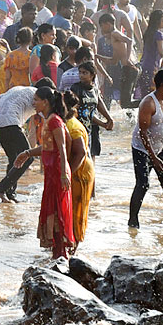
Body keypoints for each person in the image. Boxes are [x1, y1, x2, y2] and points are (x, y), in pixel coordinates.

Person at [13, 86, 75, 259]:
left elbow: (62, 148)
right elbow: (48, 147)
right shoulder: (49, 120)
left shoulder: (54, 120)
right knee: (53, 208)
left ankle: (61, 253)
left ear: (45, 102)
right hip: (52, 170)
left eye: (36, 100)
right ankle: (57, 253)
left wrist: (63, 174)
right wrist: (26, 153)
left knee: (57, 210)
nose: (33, 103)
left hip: (57, 170)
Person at [129, 68, 163, 228]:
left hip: (159, 147)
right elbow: (143, 133)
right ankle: (133, 221)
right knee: (143, 184)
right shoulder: (148, 103)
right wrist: (153, 159)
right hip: (141, 148)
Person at [62, 89, 95, 252]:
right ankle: (68, 245)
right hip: (74, 169)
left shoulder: (72, 125)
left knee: (77, 209)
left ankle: (74, 247)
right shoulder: (66, 122)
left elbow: (80, 152)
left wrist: (68, 174)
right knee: (69, 209)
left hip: (80, 171)